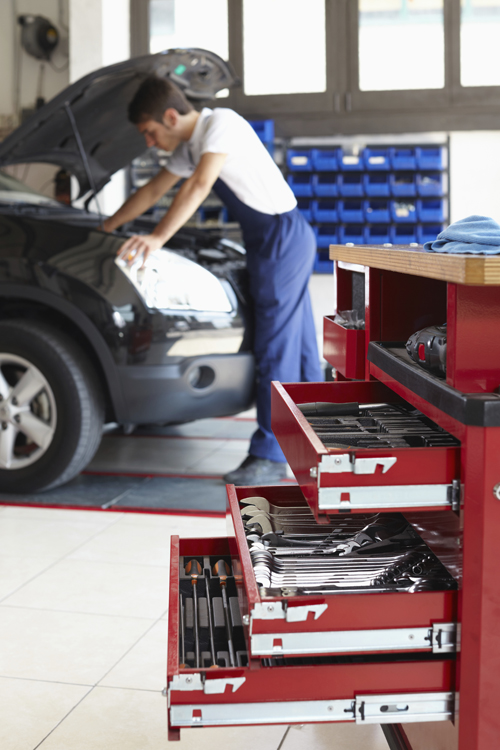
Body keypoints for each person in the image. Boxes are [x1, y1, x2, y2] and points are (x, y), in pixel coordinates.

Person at [103, 75, 323, 485]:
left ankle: (270, 454)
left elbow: (199, 185)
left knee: (275, 347)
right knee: (300, 345)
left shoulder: (220, 123)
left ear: (171, 116)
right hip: (268, 241)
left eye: (150, 132)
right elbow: (154, 190)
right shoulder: (191, 146)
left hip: (281, 236)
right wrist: (108, 226)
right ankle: (316, 439)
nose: (149, 143)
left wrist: (156, 238)